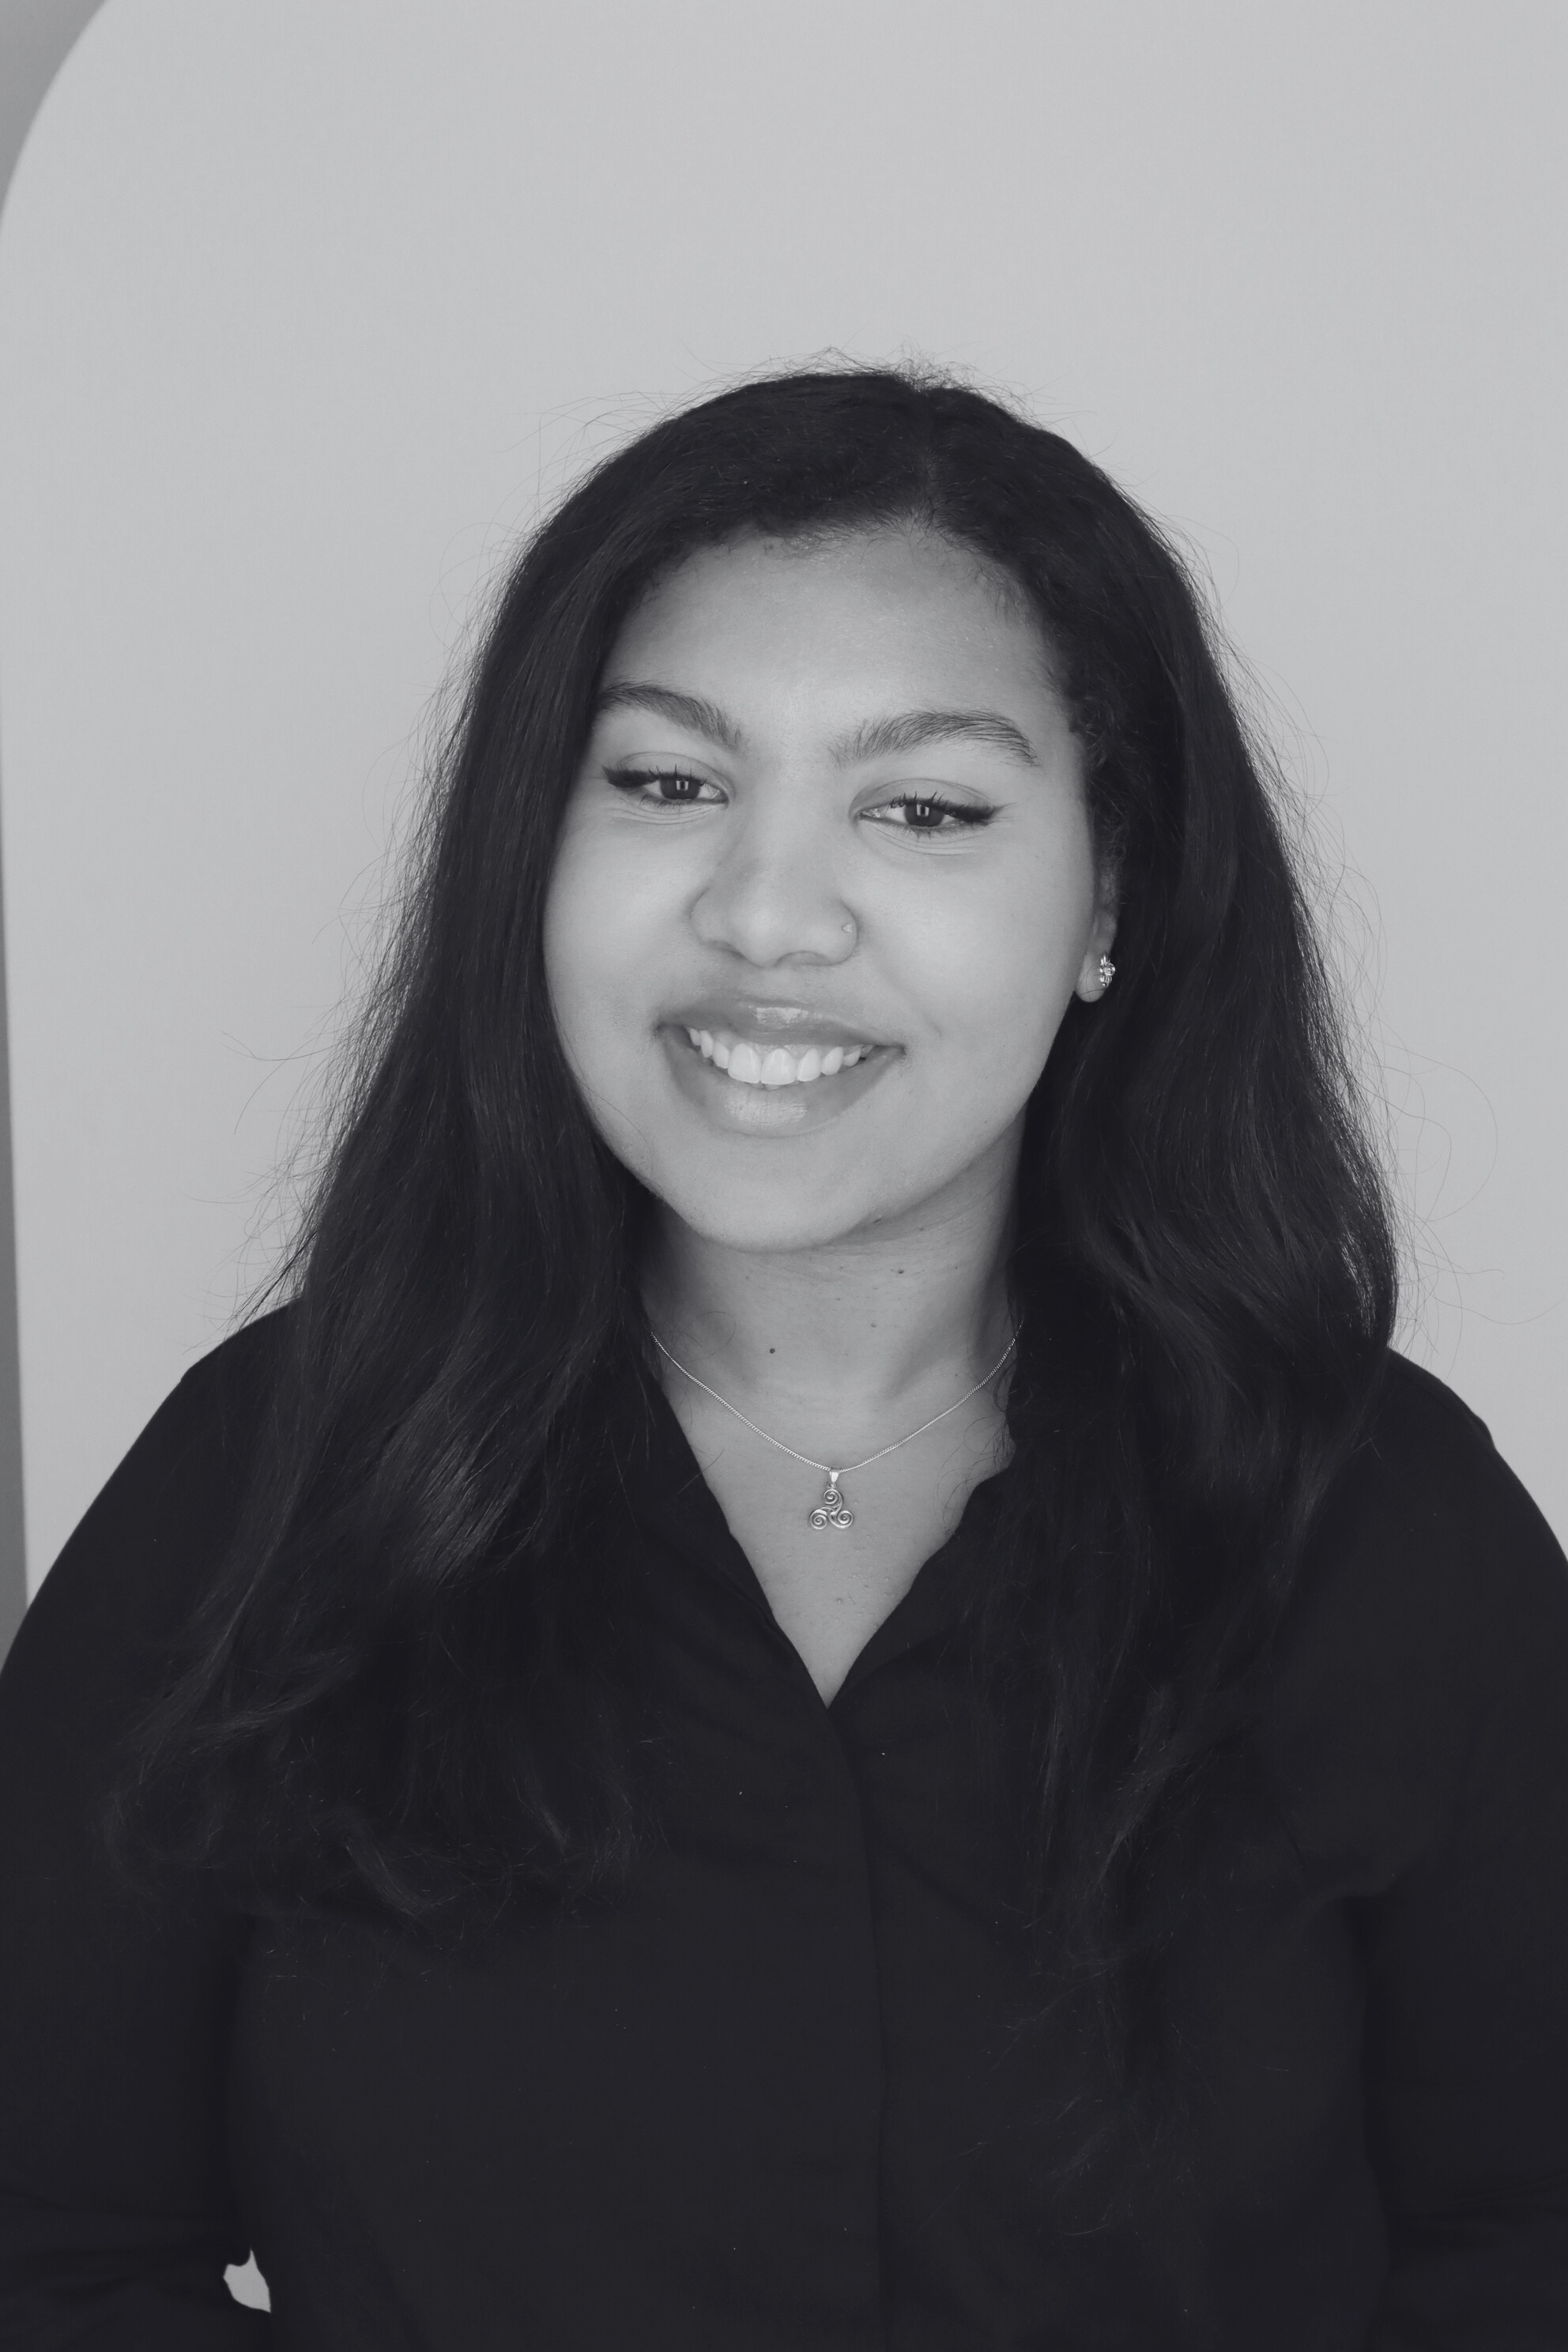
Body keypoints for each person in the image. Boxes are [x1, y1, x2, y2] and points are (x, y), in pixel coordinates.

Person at [1, 365, 1564, 2350]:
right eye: (667, 782)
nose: (762, 915)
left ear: (1111, 893)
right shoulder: (275, 1476)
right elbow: (44, 2247)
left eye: (923, 809)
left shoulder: (1375, 1523)